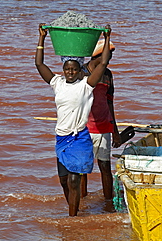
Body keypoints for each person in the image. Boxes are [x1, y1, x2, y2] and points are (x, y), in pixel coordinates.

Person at [35, 23, 112, 216]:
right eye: (67, 69)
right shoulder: (57, 83)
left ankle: (72, 218)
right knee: (63, 181)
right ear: (63, 70)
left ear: (79, 71)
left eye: (73, 69)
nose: (70, 72)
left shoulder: (86, 85)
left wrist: (107, 37)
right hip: (61, 138)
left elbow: (102, 64)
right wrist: (42, 38)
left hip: (79, 138)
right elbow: (39, 64)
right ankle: (75, 206)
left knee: (74, 180)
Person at [79, 39, 121, 212]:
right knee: (82, 169)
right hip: (83, 128)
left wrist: (115, 130)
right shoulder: (80, 72)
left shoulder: (108, 75)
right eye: (107, 55)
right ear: (98, 56)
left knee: (105, 166)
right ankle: (82, 202)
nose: (109, 59)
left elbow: (110, 103)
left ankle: (108, 203)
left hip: (103, 127)